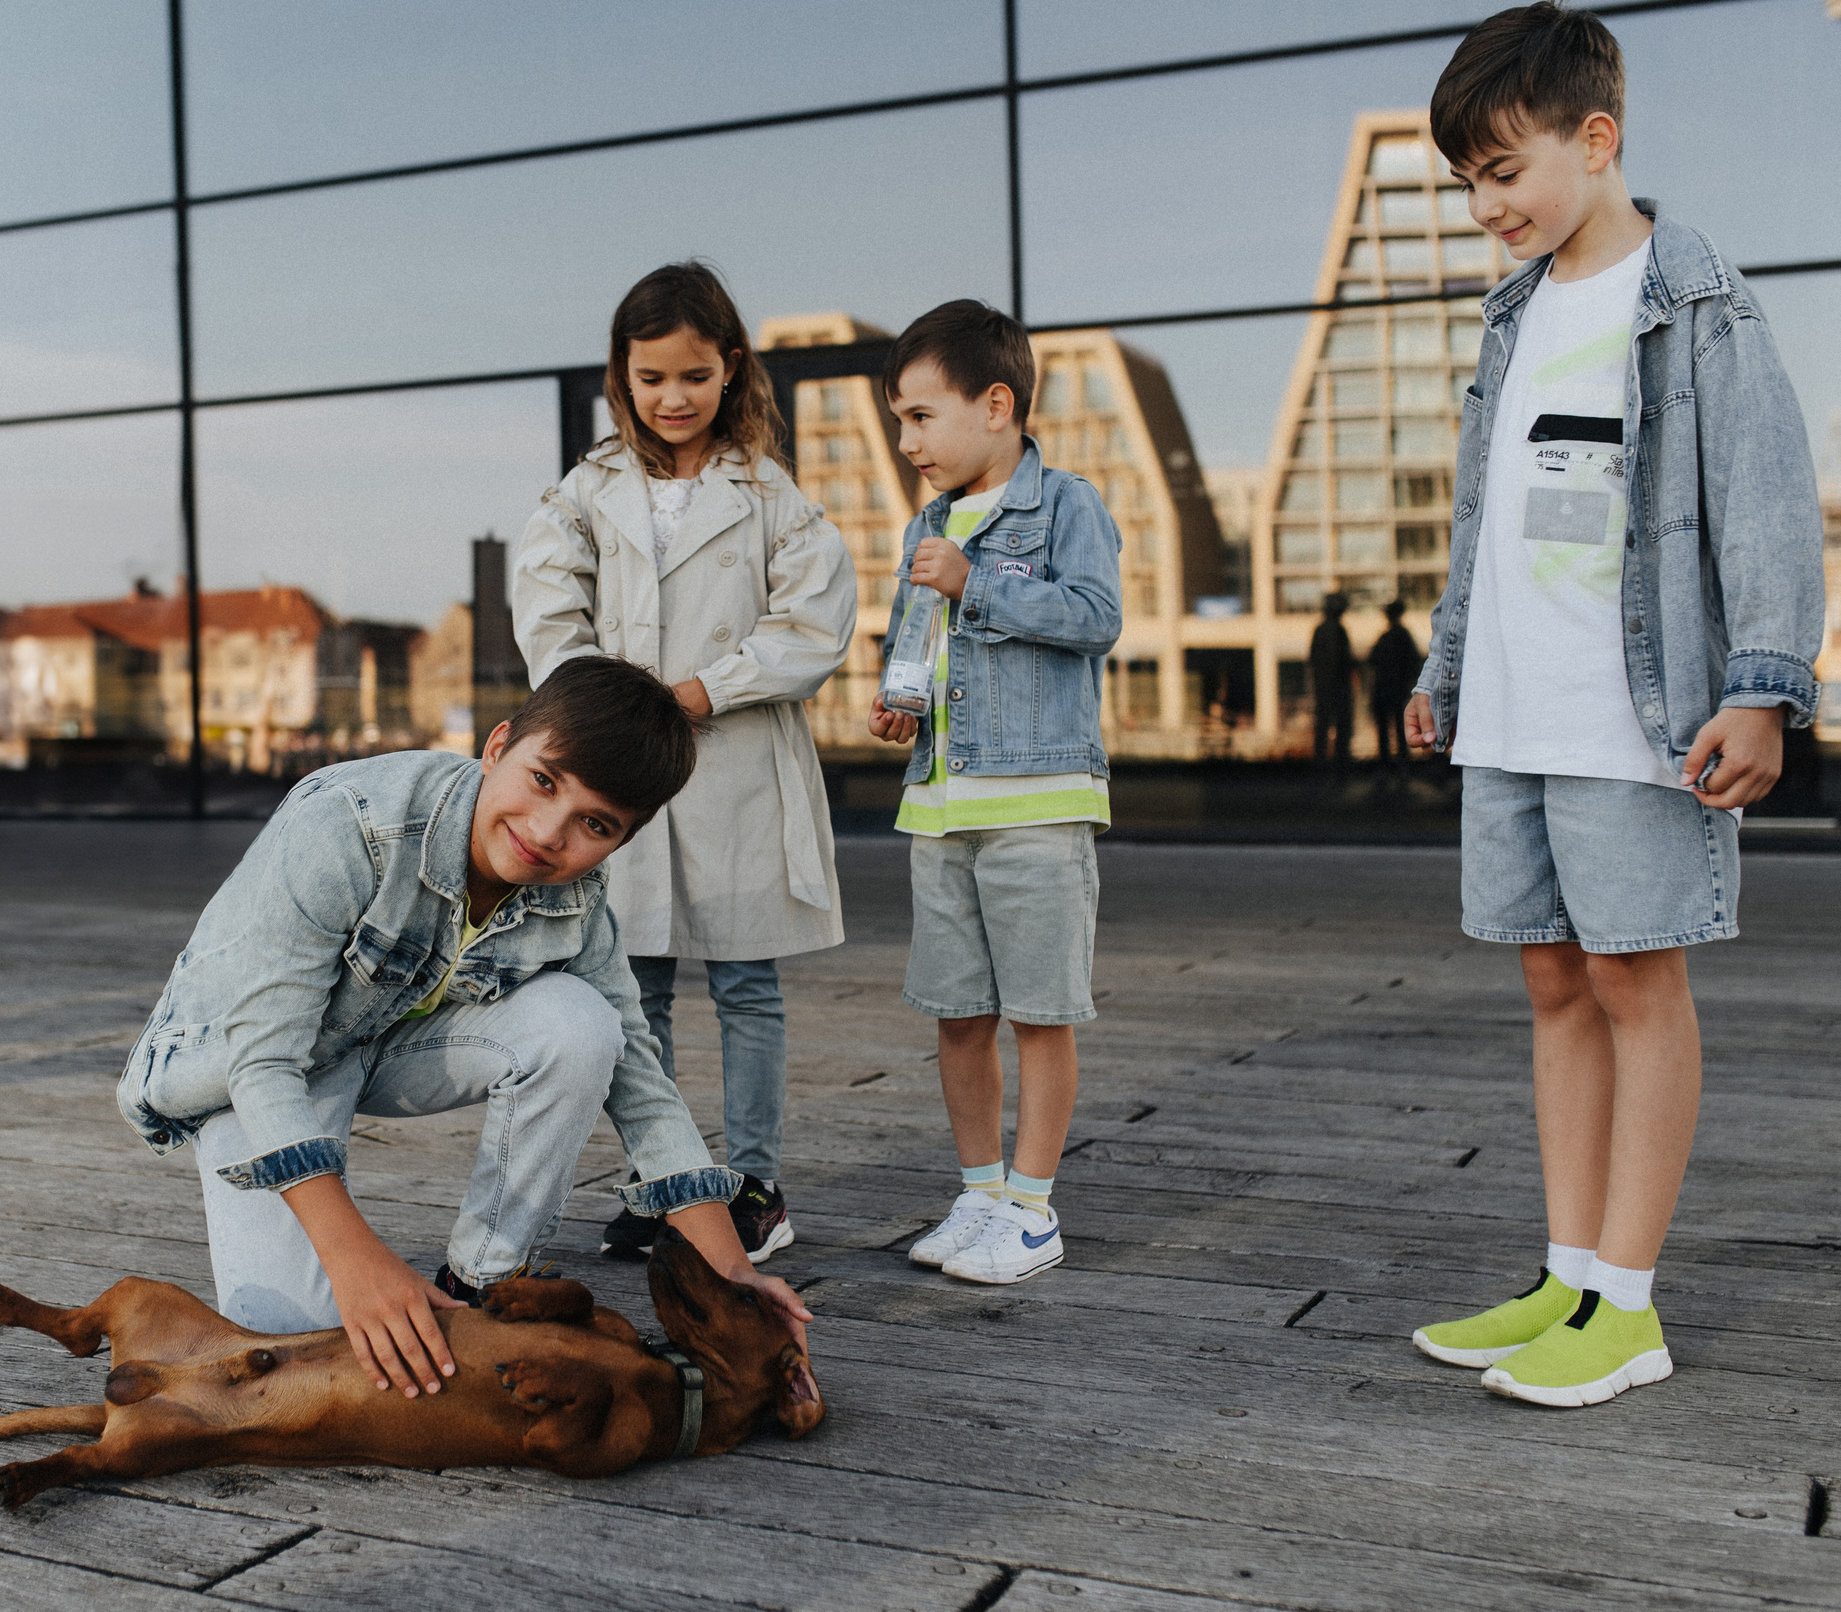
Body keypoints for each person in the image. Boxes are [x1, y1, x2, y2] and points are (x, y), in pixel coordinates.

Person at [1403, 0, 1825, 1406]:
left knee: (1638, 979)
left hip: (1635, 718)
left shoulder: (1696, 302)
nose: (1486, 206)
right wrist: (1445, 667)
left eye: (1503, 171)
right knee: (1551, 980)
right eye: (1467, 182)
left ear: (1596, 139)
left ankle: (1628, 1307)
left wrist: (1762, 689)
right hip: (1513, 710)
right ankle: (1570, 1273)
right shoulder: (1512, 317)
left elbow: (1767, 505)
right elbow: (1482, 521)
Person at [115, 656, 812, 1398]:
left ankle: (482, 1284)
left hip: (380, 1043)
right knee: (303, 1350)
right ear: (497, 745)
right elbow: (263, 1063)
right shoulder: (348, 823)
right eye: (543, 780)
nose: (547, 832)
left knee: (583, 1026)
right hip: (241, 1069)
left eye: (594, 824)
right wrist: (360, 1262)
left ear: (622, 839)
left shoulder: (576, 893)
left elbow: (639, 1073)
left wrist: (728, 1267)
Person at [515, 261, 855, 1266]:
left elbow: (814, 621)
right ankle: (660, 1181)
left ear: (731, 368)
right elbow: (547, 605)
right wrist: (608, 704)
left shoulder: (769, 493)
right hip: (624, 769)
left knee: (746, 986)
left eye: (695, 377)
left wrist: (703, 690)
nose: (674, 398)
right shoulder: (585, 490)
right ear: (621, 376)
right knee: (637, 988)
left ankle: (753, 1187)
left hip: (737, 761)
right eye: (652, 378)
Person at [867, 299, 1123, 1287]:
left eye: (920, 416)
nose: (907, 441)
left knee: (1039, 1014)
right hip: (941, 806)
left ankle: (1030, 1208)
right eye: (899, 420)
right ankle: (978, 1193)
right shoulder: (926, 526)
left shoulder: (1065, 507)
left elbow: (1095, 618)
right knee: (957, 1012)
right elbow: (919, 640)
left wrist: (976, 583)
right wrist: (901, 700)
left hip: (1036, 805)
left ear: (997, 405)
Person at [1368, 598, 1423, 776]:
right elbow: (1414, 664)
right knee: (1399, 730)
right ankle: (1402, 768)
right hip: (1397, 691)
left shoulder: (1386, 637)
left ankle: (1387, 768)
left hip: (1386, 690)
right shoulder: (1403, 636)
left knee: (1387, 732)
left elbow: (1372, 660)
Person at [1307, 592, 1358, 772]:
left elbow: (1313, 660)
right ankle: (1337, 768)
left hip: (1326, 688)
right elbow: (1342, 660)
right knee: (1339, 728)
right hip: (1336, 688)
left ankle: (1325, 768)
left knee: (1325, 728)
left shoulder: (1322, 630)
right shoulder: (1335, 631)